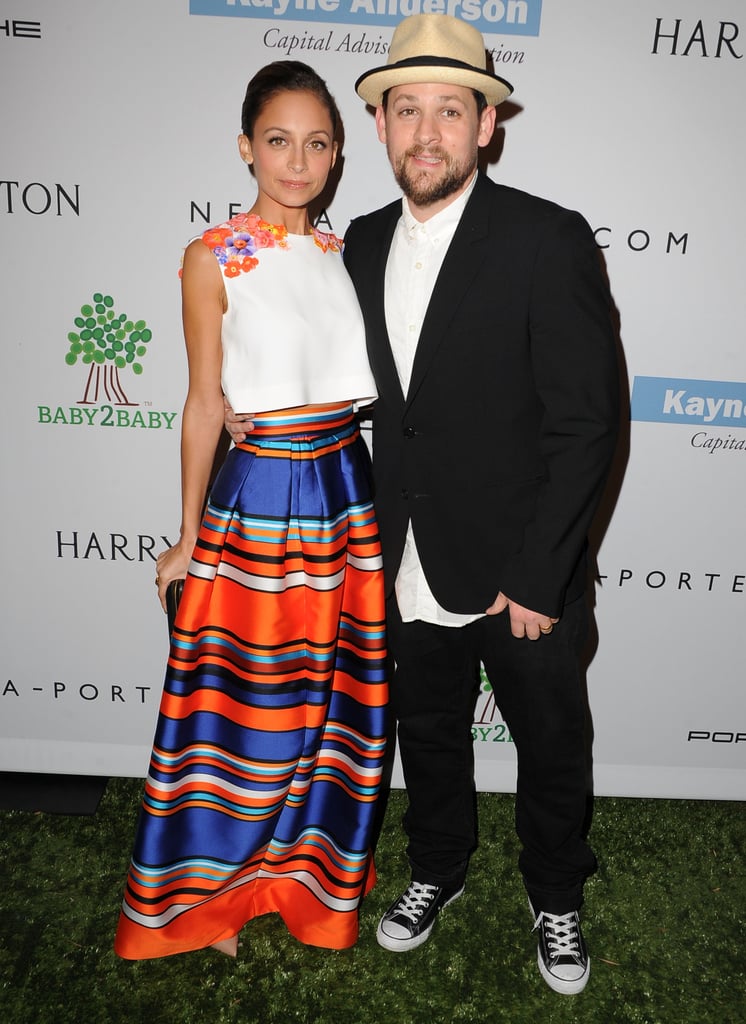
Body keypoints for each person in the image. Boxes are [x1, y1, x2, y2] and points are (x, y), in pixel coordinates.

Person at [227, 14, 619, 995]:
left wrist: (541, 572)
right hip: (392, 551)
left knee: (551, 739)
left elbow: (588, 424)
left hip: (518, 567)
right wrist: (247, 398)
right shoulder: (352, 244)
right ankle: (435, 867)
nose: (427, 132)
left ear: (485, 125)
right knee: (427, 731)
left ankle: (556, 893)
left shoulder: (545, 238)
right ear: (383, 126)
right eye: (408, 110)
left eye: (451, 109)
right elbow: (306, 351)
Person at [114, 61, 387, 960]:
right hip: (261, 493)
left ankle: (300, 881)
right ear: (246, 148)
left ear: (338, 153)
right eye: (278, 141)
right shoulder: (211, 256)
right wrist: (187, 534)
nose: (297, 161)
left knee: (331, 703)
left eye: (316, 143)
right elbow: (202, 403)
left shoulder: (344, 253)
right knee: (241, 712)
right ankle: (205, 900)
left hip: (346, 492)